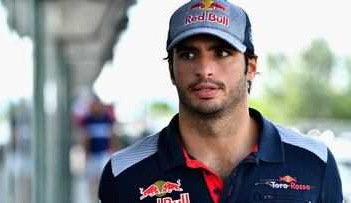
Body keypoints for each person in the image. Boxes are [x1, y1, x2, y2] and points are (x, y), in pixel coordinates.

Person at [98, 0, 344, 202]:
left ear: (251, 66)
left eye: (221, 53)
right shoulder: (124, 173)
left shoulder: (314, 162)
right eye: (188, 54)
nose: (204, 69)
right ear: (171, 69)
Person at [77, 95, 118, 202]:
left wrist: (114, 150)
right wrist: (86, 155)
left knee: (104, 180)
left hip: (104, 154)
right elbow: (85, 139)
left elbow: (111, 136)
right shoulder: (88, 120)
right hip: (92, 155)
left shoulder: (106, 119)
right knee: (92, 181)